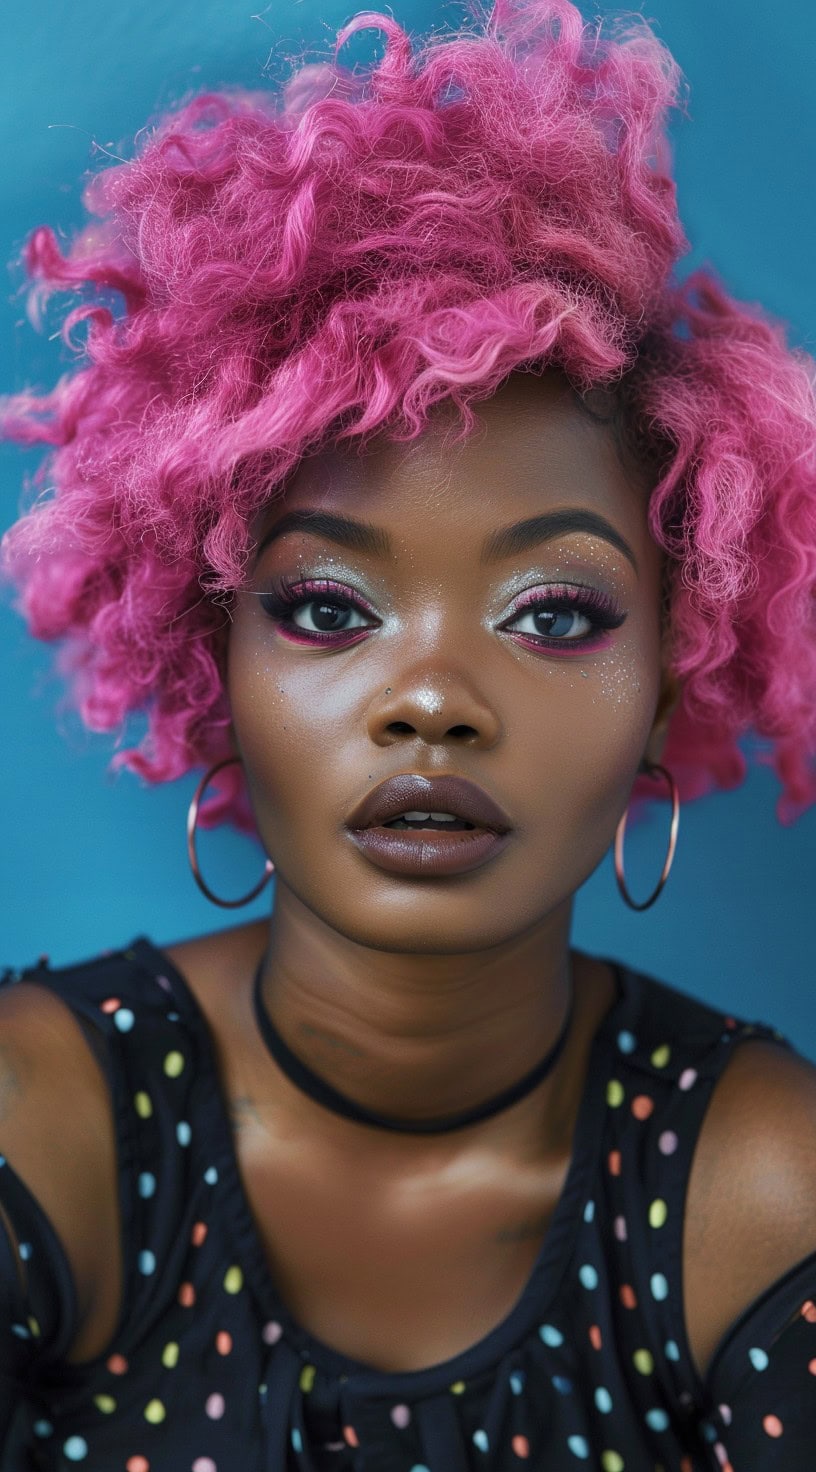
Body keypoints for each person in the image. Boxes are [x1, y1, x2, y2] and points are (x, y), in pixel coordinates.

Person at [1, 0, 815, 1465]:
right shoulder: (37, 1117)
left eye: (556, 613)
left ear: (671, 687)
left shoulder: (760, 1189)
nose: (430, 698)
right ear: (215, 662)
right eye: (326, 607)